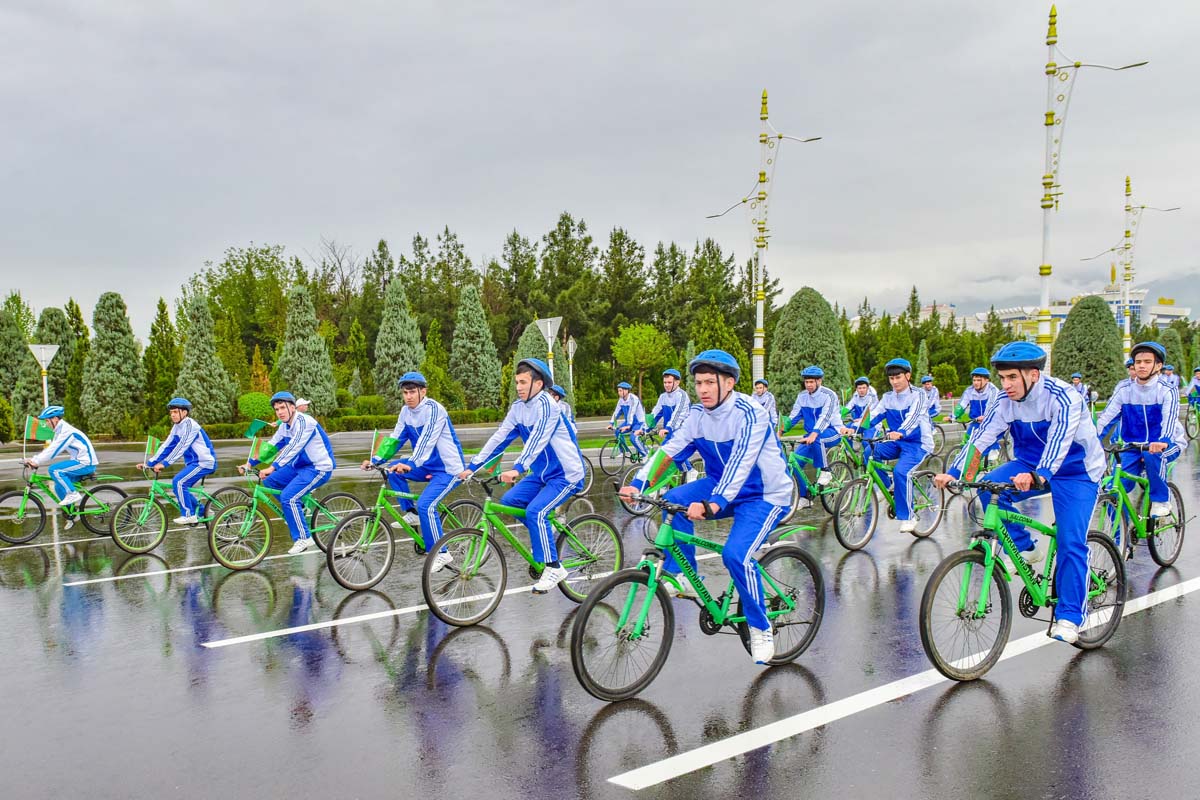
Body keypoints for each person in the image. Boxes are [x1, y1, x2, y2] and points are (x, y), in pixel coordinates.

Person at [620, 349, 791, 665]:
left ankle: (761, 626)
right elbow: (670, 452)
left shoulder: (751, 413)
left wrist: (713, 504)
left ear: (729, 383)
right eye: (698, 383)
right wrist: (639, 484)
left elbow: (741, 462)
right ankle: (681, 574)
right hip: (719, 485)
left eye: (710, 382)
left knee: (734, 556)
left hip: (764, 494)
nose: (703, 389)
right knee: (674, 502)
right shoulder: (697, 415)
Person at [936, 342, 1105, 644]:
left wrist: (1040, 474)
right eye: (1002, 378)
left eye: (1012, 377)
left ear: (1033, 375)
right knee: (988, 490)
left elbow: (1060, 440)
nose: (1006, 385)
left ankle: (1070, 615)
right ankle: (1026, 548)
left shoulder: (1064, 397)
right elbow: (982, 438)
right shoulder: (1004, 400)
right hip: (1028, 463)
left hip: (1076, 471)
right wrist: (957, 472)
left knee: (1070, 540)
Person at [459, 358, 587, 594]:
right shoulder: (518, 408)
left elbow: (538, 440)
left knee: (536, 512)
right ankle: (545, 533)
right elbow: (500, 438)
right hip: (540, 473)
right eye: (516, 382)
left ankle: (554, 566)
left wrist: (517, 468)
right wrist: (473, 466)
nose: (518, 387)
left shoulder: (548, 406)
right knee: (509, 502)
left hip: (566, 474)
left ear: (538, 384)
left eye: (523, 382)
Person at [361, 372, 466, 569]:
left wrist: (411, 463)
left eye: (412, 392)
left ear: (423, 391)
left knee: (427, 504)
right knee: (393, 470)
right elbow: (395, 439)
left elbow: (427, 439)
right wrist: (375, 460)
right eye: (405, 392)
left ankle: (441, 552)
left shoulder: (435, 409)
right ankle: (411, 512)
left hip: (449, 469)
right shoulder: (405, 412)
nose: (408, 396)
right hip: (425, 465)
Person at [1094, 341, 1184, 518]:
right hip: (1133, 446)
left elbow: (1170, 420)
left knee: (1153, 455)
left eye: (1147, 362)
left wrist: (1163, 441)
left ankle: (1161, 500)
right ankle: (1121, 541)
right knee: (1113, 489)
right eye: (1138, 361)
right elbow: (1104, 420)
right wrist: (1087, 441)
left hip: (1166, 443)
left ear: (1158, 366)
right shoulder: (1124, 390)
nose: (1141, 365)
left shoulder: (1167, 390)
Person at [842, 358, 932, 533]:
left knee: (901, 471)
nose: (895, 381)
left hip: (917, 443)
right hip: (896, 441)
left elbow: (913, 417)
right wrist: (852, 428)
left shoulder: (919, 395)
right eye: (891, 378)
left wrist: (901, 431)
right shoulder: (888, 397)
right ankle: (889, 485)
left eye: (898, 377)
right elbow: (873, 415)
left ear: (908, 376)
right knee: (868, 452)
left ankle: (909, 516)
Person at [242, 391, 337, 555]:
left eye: (282, 408)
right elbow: (271, 446)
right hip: (299, 466)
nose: (279, 412)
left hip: (318, 467)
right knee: (270, 481)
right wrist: (250, 463)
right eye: (277, 409)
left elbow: (294, 447)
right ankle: (298, 508)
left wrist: (273, 467)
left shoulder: (304, 422)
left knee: (288, 497)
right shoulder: (284, 426)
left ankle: (304, 538)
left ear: (293, 407)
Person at [138, 398, 218, 525]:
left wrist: (164, 463)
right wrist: (150, 463)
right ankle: (204, 511)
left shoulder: (190, 425)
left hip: (205, 462)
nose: (173, 415)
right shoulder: (177, 427)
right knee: (178, 487)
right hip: (193, 463)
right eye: (171, 413)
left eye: (175, 412)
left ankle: (189, 515)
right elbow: (167, 446)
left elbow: (181, 447)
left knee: (179, 482)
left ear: (184, 412)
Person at [786, 366, 841, 508]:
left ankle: (825, 471)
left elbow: (825, 417)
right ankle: (806, 497)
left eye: (811, 382)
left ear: (819, 381)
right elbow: (793, 417)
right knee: (794, 463)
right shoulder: (802, 397)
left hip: (832, 431)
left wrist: (815, 433)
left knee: (818, 439)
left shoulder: (829, 395)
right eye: (806, 382)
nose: (809, 385)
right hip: (811, 436)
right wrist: (780, 431)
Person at [22, 405, 97, 508]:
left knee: (55, 470)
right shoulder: (59, 431)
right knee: (58, 486)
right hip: (78, 461)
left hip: (85, 463)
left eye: (47, 421)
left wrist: (37, 461)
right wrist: (33, 459)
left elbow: (54, 451)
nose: (46, 423)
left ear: (55, 419)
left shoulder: (67, 432)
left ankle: (72, 494)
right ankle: (71, 513)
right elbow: (50, 448)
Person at [954, 368, 1001, 462]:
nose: (975, 383)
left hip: (991, 420)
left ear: (986, 380)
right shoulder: (969, 390)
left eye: (979, 380)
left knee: (989, 439)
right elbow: (962, 404)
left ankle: (993, 459)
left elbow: (991, 406)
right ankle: (961, 463)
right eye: (974, 380)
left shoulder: (993, 390)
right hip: (976, 420)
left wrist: (986, 416)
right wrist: (953, 416)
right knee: (967, 440)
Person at [609, 381, 648, 460]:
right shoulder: (621, 400)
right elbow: (616, 412)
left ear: (626, 391)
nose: (619, 393)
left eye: (620, 391)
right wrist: (611, 423)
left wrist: (628, 426)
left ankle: (646, 454)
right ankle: (624, 451)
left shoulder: (634, 399)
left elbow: (631, 412)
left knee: (633, 438)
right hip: (629, 422)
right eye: (618, 391)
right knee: (617, 431)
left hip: (638, 422)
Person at [845, 377, 878, 460]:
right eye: (859, 388)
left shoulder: (872, 397)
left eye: (864, 388)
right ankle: (850, 452)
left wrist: (861, 419)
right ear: (856, 389)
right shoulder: (855, 396)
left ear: (867, 388)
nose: (861, 390)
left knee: (865, 442)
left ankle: (870, 460)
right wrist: (838, 415)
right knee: (845, 431)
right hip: (858, 423)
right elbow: (848, 407)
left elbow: (869, 411)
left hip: (871, 424)